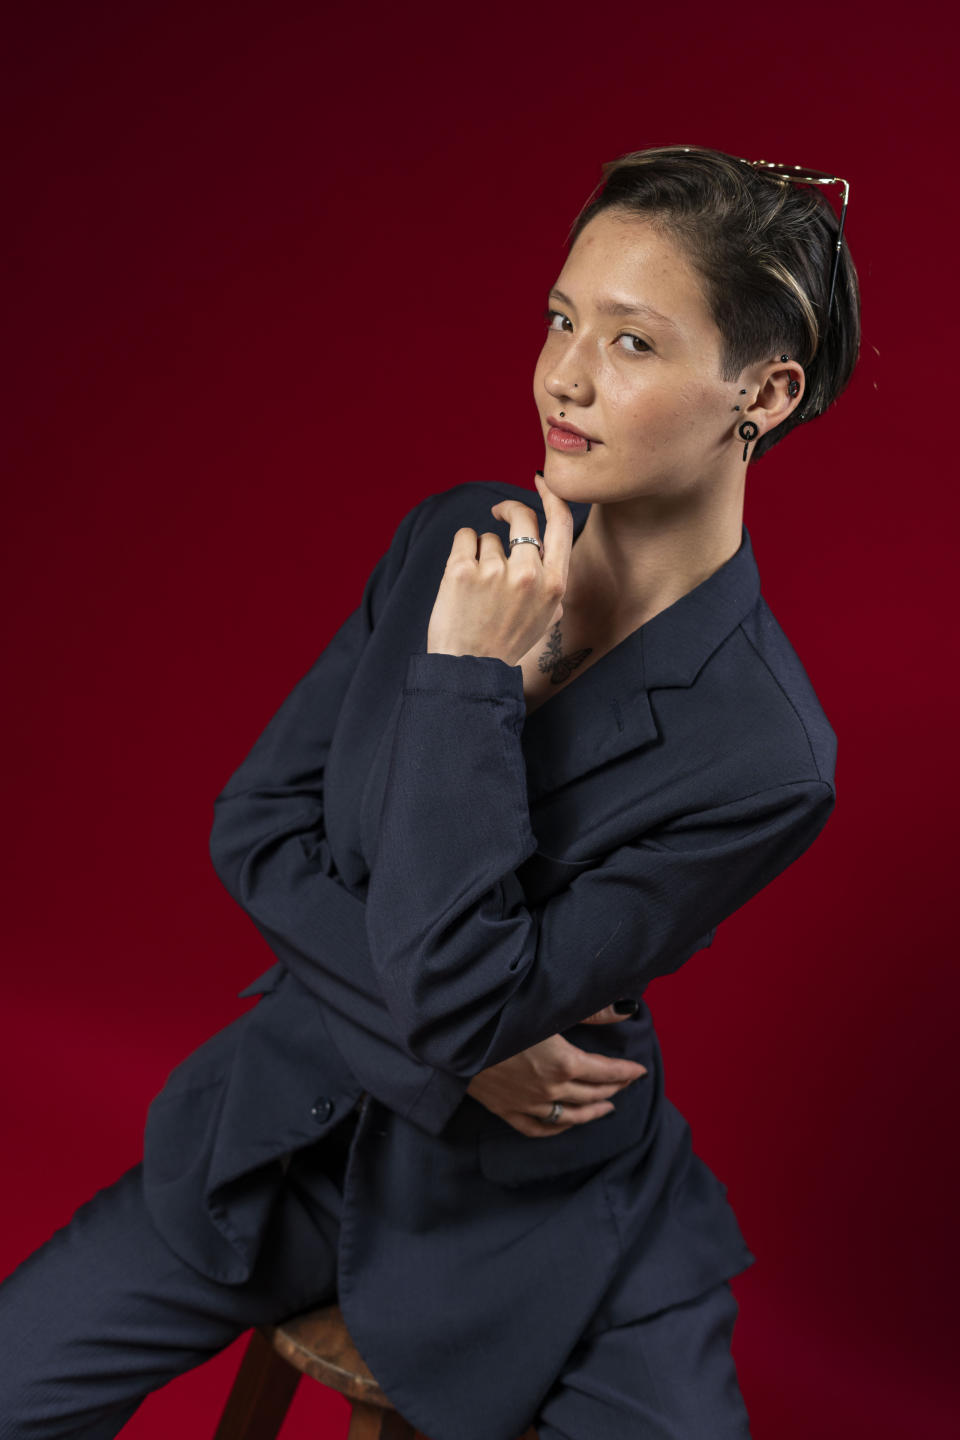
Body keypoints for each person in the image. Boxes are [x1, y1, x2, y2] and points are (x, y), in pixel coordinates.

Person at [0, 142, 860, 1440]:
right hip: (276, 1138)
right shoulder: (452, 537)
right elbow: (258, 828)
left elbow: (464, 991)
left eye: (632, 342)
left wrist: (469, 688)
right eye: (560, 319)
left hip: (532, 1213)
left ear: (765, 391)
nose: (565, 375)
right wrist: (471, 1051)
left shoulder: (767, 758)